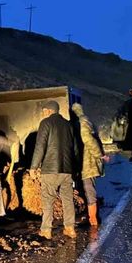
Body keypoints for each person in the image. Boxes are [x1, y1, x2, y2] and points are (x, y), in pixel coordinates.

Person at [30, 100, 77, 239]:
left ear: (49, 111)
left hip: (50, 170)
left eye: (44, 111)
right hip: (67, 170)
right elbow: (75, 149)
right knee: (68, 200)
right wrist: (76, 168)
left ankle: (46, 230)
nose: (43, 113)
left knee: (48, 200)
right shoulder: (69, 125)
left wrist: (34, 167)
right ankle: (70, 228)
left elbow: (40, 146)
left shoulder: (46, 123)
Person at [71, 103, 108, 226]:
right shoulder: (84, 121)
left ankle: (93, 220)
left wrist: (99, 154)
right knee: (88, 188)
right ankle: (91, 216)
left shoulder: (81, 122)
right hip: (84, 161)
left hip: (87, 162)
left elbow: (88, 139)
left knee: (88, 188)